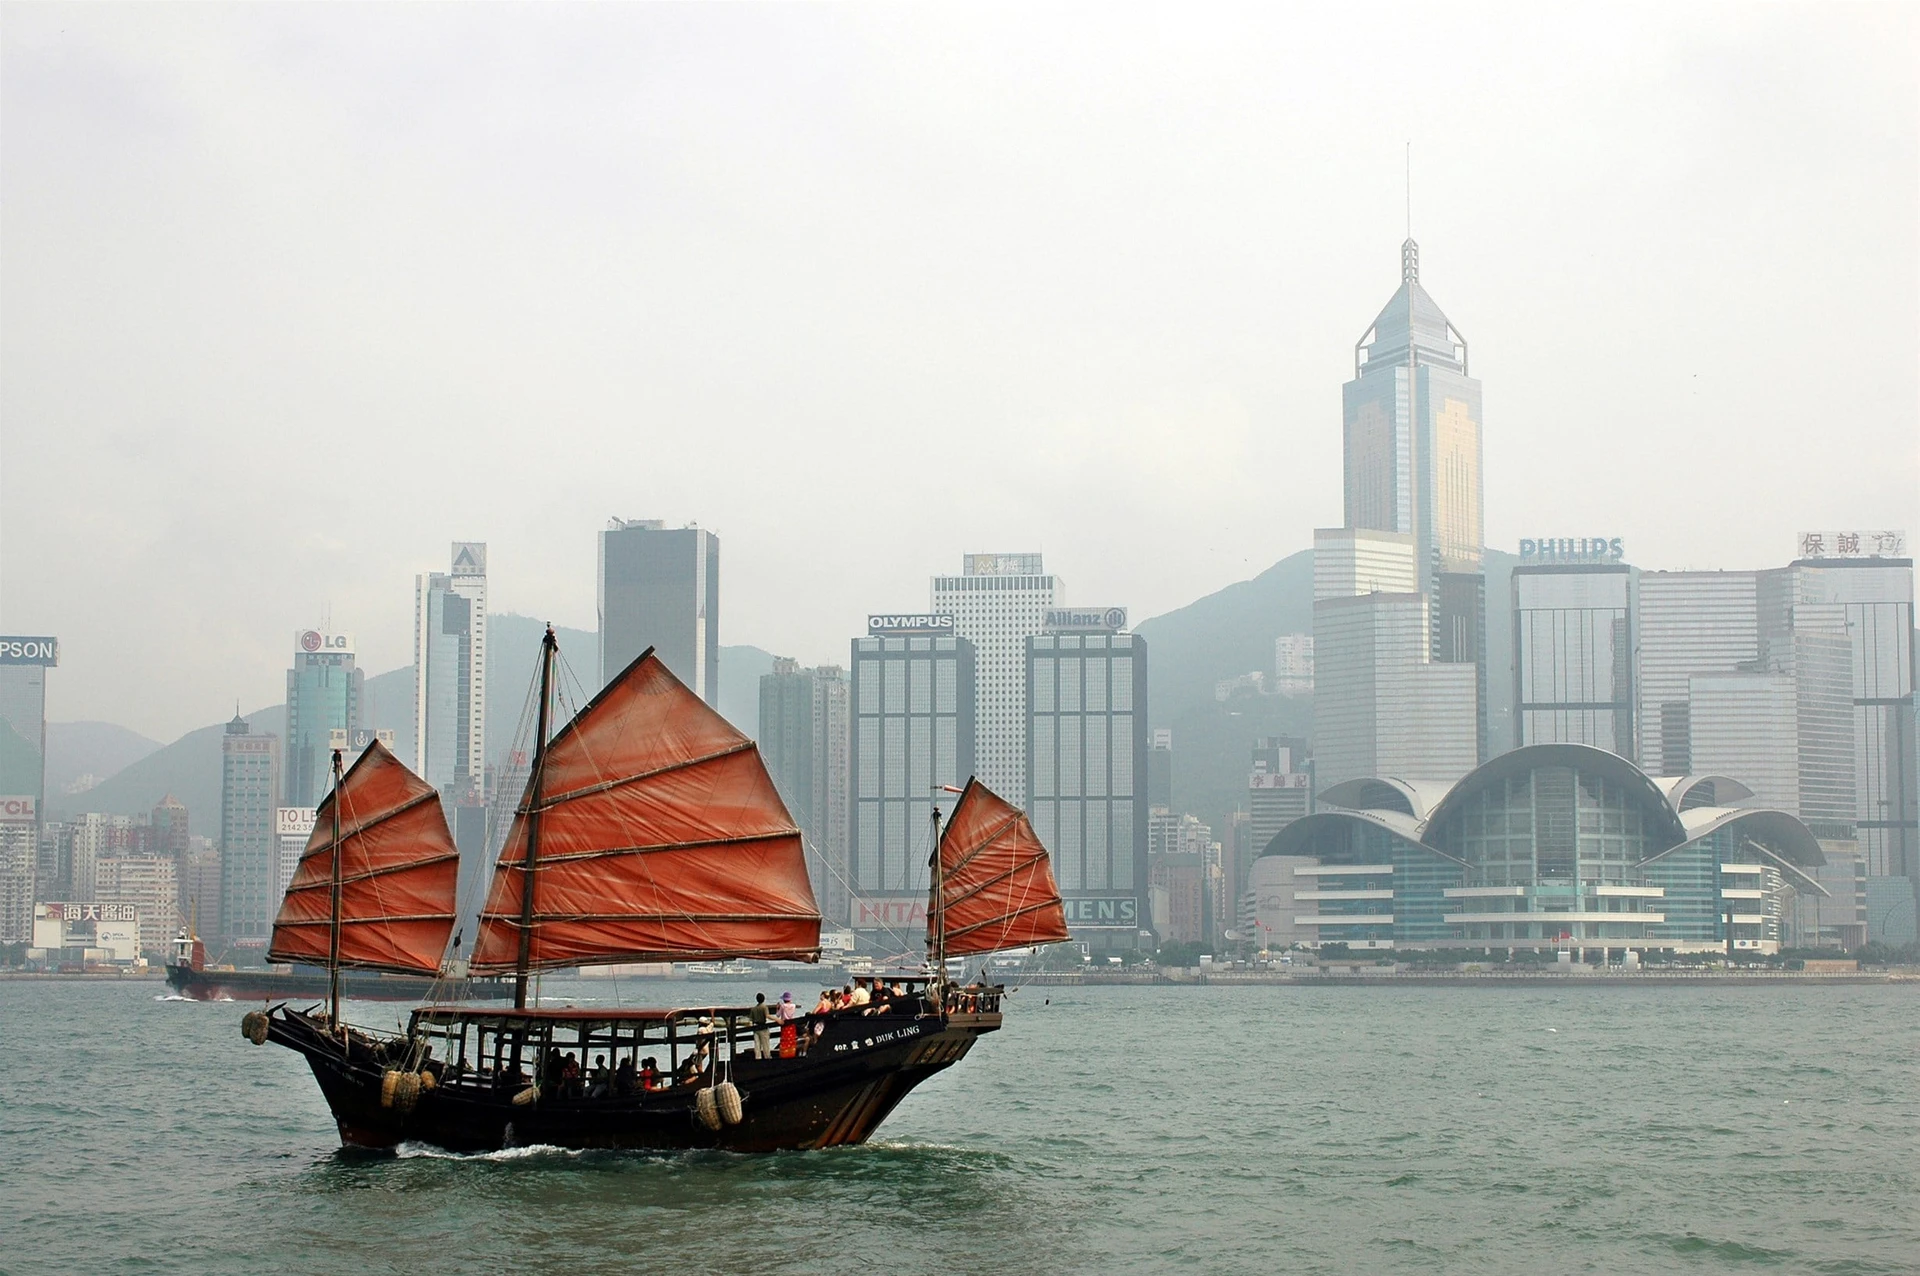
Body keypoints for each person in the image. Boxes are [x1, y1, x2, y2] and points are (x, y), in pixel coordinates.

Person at [775, 991, 803, 1058]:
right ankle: (791, 1053)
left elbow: (777, 1015)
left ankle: (784, 1054)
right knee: (791, 1040)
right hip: (791, 1024)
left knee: (785, 1040)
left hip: (784, 1025)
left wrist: (777, 1008)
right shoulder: (793, 1006)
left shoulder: (783, 1006)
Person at [749, 992, 773, 1059]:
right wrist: (776, 1019)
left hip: (756, 1028)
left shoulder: (753, 1009)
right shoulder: (764, 1007)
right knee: (765, 1044)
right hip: (763, 1027)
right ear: (764, 999)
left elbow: (751, 1019)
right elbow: (767, 1016)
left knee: (757, 1045)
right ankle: (767, 1057)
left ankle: (758, 1058)